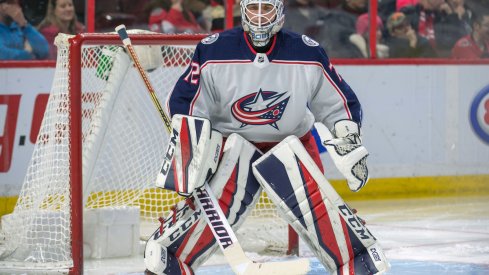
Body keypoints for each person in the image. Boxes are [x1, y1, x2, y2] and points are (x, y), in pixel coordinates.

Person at [143, 0, 390, 274]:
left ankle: (356, 263)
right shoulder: (214, 50)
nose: (260, 17)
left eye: (267, 9)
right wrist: (191, 148)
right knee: (206, 215)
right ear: (243, 10)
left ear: (279, 11)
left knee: (321, 215)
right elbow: (186, 102)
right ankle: (172, 261)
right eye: (254, 8)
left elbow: (337, 102)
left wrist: (348, 139)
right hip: (233, 143)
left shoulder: (306, 52)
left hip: (292, 142)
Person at [400, 0, 467, 57]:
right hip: (414, 59)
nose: (442, 1)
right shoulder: (408, 13)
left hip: (440, 62)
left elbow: (458, 41)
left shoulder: (445, 16)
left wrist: (451, 15)